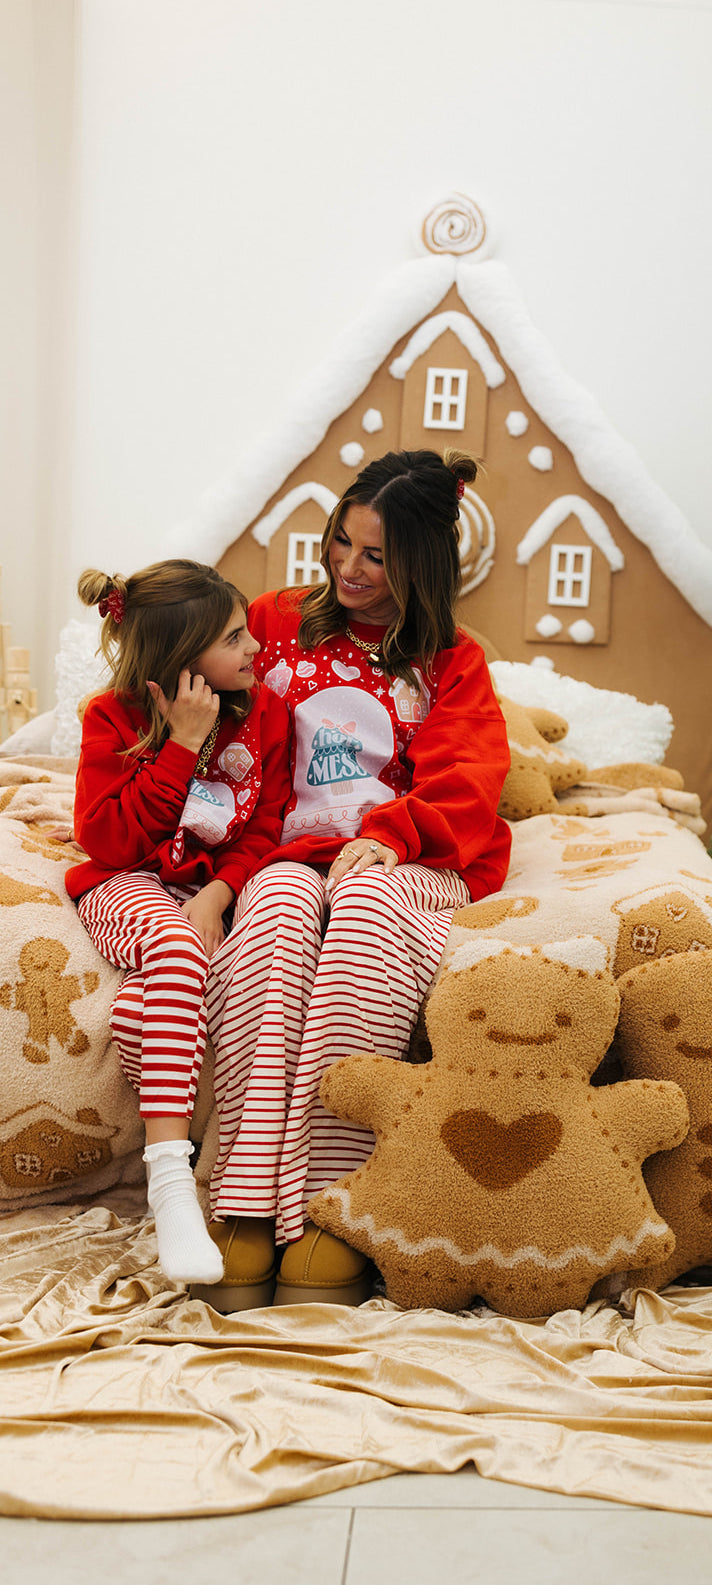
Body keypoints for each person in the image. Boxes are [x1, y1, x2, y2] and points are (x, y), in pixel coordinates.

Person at [199, 447, 511, 1311]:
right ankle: (248, 1198)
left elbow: (467, 781)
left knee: (365, 906)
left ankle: (333, 1207)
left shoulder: (451, 661)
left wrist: (390, 834)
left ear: (420, 565)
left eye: (375, 556)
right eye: (341, 543)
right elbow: (197, 701)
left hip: (410, 857)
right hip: (287, 849)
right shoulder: (268, 623)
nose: (347, 568)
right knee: (279, 908)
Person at [67, 560, 292, 1287]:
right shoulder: (112, 717)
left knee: (192, 977)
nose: (256, 647)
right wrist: (181, 746)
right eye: (234, 638)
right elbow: (108, 843)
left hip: (203, 890)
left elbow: (266, 829)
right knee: (171, 946)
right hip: (123, 883)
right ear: (183, 662)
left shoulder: (268, 715)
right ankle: (171, 1181)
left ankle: (143, 1012)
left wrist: (219, 894)